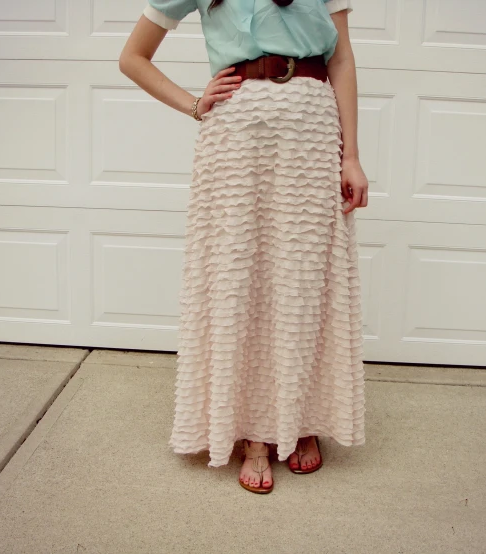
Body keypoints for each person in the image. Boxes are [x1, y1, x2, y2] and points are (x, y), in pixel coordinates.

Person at [119, 0, 368, 494]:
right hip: (236, 135)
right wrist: (194, 103)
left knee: (304, 280)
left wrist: (353, 155)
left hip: (313, 132)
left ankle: (300, 420)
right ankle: (254, 433)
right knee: (243, 280)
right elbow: (133, 57)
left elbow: (340, 58)